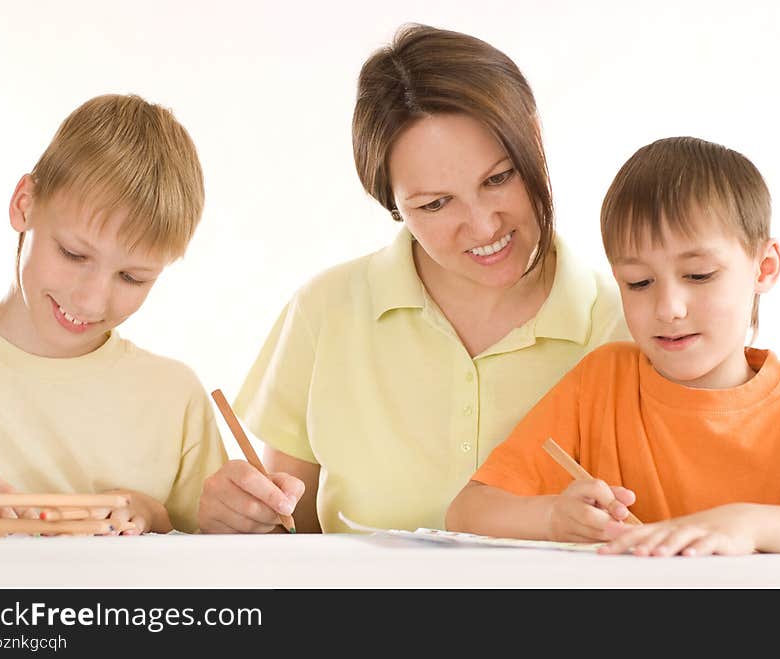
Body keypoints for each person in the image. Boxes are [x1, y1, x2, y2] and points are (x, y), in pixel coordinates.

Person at [198, 24, 629, 534]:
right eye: (436, 204)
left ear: (534, 138)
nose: (484, 226)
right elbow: (290, 532)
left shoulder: (625, 328)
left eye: (498, 178)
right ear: (393, 204)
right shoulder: (326, 312)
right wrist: (241, 517)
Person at [446, 136, 780, 556]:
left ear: (764, 268)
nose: (668, 308)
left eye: (699, 275)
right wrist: (553, 517)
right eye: (639, 283)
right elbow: (467, 511)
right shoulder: (601, 384)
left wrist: (747, 523)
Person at [0, 94, 228, 534]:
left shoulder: (174, 399)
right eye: (74, 254)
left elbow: (217, 574)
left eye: (132, 278)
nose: (92, 302)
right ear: (24, 204)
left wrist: (158, 519)